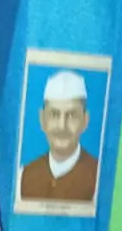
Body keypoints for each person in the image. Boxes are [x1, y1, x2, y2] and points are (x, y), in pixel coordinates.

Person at [18, 70, 99, 204]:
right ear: (42, 119)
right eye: (54, 114)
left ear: (85, 120)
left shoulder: (98, 178)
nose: (62, 126)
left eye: (72, 115)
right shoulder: (24, 176)